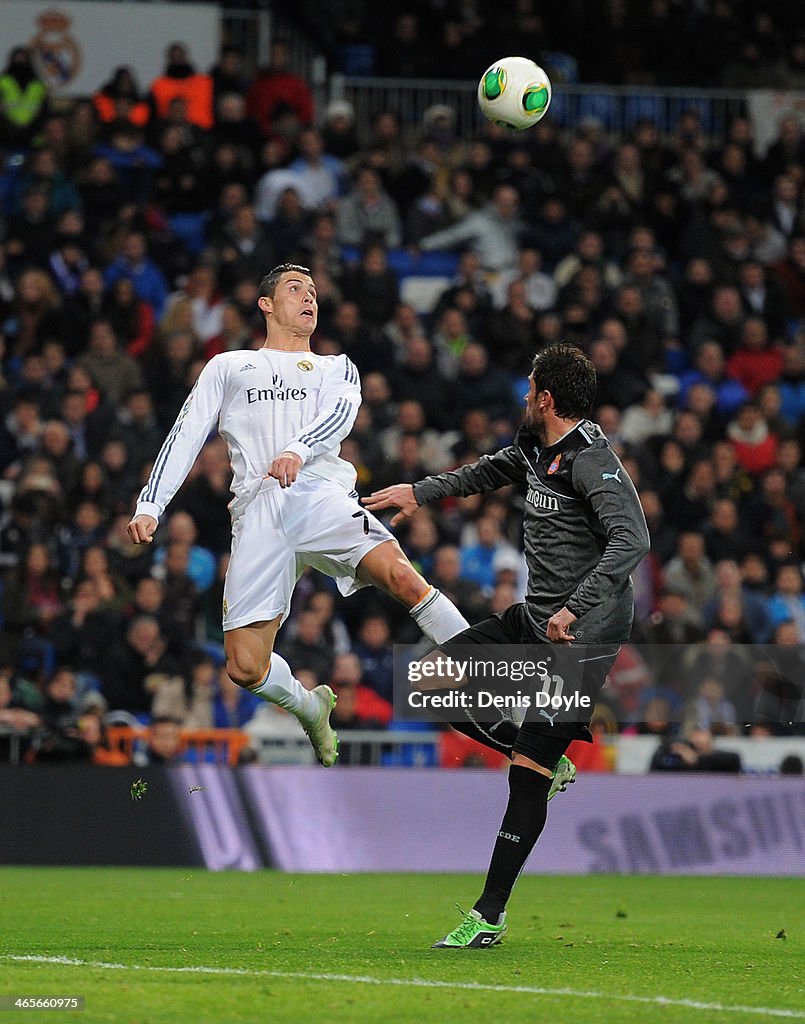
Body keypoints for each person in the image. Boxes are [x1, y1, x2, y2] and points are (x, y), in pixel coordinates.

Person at [127, 263, 468, 767]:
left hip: (317, 494)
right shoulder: (229, 365)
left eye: (313, 291)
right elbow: (186, 432)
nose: (309, 298)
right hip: (258, 511)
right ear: (266, 304)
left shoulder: (337, 367)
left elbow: (338, 418)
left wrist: (296, 450)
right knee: (244, 667)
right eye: (294, 289)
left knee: (403, 576)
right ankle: (310, 708)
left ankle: (500, 687)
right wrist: (151, 505)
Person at [365, 344, 649, 947]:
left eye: (528, 390)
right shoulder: (534, 448)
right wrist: (418, 492)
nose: (523, 398)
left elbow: (633, 539)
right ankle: (544, 753)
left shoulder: (591, 461)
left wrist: (577, 605)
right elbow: (484, 472)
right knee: (430, 681)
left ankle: (488, 914)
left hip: (582, 634)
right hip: (537, 617)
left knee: (526, 777)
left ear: (545, 398)